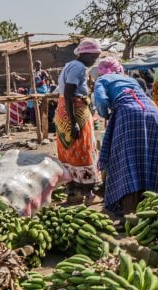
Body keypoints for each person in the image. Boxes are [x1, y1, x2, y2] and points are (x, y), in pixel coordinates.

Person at [93, 57, 158, 216]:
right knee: (147, 159)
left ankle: (129, 214)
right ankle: (149, 210)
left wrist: (105, 114)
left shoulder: (103, 79)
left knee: (127, 161)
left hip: (128, 112)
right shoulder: (129, 79)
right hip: (152, 111)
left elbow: (101, 100)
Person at [55, 37, 102, 204]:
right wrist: (74, 121)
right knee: (84, 150)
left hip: (65, 112)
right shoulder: (79, 68)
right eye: (94, 56)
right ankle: (88, 193)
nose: (95, 59)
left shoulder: (70, 65)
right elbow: (69, 92)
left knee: (70, 152)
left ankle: (74, 192)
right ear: (85, 54)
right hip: (75, 111)